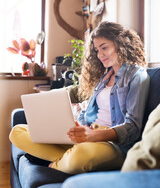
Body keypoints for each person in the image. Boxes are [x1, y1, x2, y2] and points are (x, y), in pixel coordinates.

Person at [10, 21, 150, 174]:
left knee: (80, 156)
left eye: (104, 47)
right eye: (97, 50)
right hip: (87, 134)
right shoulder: (103, 78)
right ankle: (64, 161)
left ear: (120, 44)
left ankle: (55, 164)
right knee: (17, 132)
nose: (100, 54)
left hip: (112, 144)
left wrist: (93, 135)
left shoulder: (137, 75)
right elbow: (86, 111)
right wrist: (78, 128)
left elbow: (133, 127)